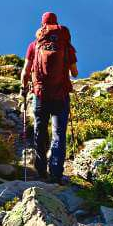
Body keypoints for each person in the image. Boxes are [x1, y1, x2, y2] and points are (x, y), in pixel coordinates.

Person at [21, 11, 78, 184]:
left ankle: (40, 170)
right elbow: (75, 73)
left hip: (40, 95)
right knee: (59, 134)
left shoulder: (34, 45)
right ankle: (56, 173)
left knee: (40, 131)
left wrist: (23, 87)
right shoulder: (66, 45)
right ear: (57, 23)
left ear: (42, 24)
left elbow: (25, 71)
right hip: (60, 95)